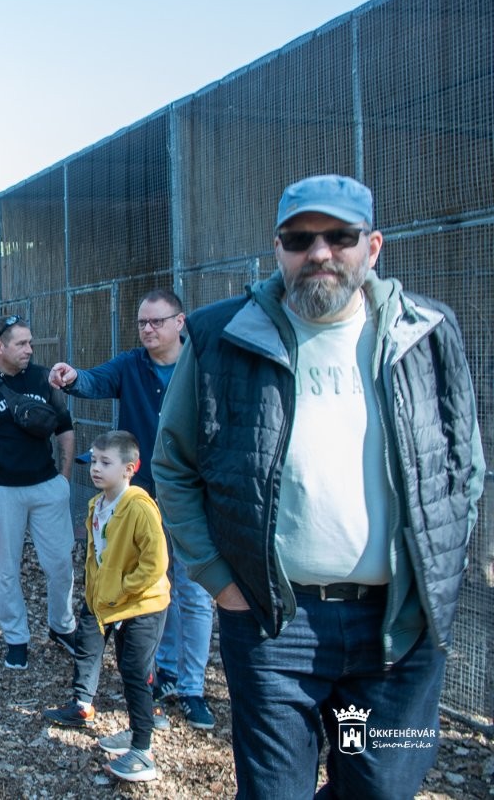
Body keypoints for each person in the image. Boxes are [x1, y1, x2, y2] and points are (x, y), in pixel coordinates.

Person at [152, 174, 484, 799]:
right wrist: (220, 581)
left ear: (373, 247)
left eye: (340, 236)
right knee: (276, 792)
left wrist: (439, 564)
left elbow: (465, 465)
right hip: (276, 627)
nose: (320, 252)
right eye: (300, 239)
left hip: (395, 630)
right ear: (278, 248)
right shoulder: (222, 334)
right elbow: (173, 464)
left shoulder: (428, 332)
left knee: (378, 787)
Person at [51, 289, 214, 731]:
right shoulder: (131, 365)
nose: (147, 329)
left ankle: (193, 688)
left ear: (179, 322)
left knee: (195, 593)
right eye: (142, 322)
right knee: (156, 589)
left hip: (192, 496)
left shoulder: (203, 364)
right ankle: (165, 673)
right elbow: (95, 380)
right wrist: (72, 377)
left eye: (156, 321)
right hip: (144, 499)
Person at [48, 431, 169, 783]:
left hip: (143, 604)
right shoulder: (96, 505)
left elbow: (155, 564)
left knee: (135, 671)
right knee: (128, 669)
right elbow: (97, 558)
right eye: (93, 461)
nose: (95, 468)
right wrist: (97, 595)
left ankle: (143, 751)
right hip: (113, 605)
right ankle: (136, 731)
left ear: (130, 469)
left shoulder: (140, 507)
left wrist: (118, 592)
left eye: (105, 462)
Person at [0, 315, 75, 670]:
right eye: (21, 343)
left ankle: (62, 627)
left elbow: (66, 429)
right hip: (1, 492)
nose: (29, 349)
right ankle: (16, 638)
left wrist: (64, 479)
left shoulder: (43, 378)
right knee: (7, 570)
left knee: (60, 563)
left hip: (47, 486)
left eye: (30, 342)